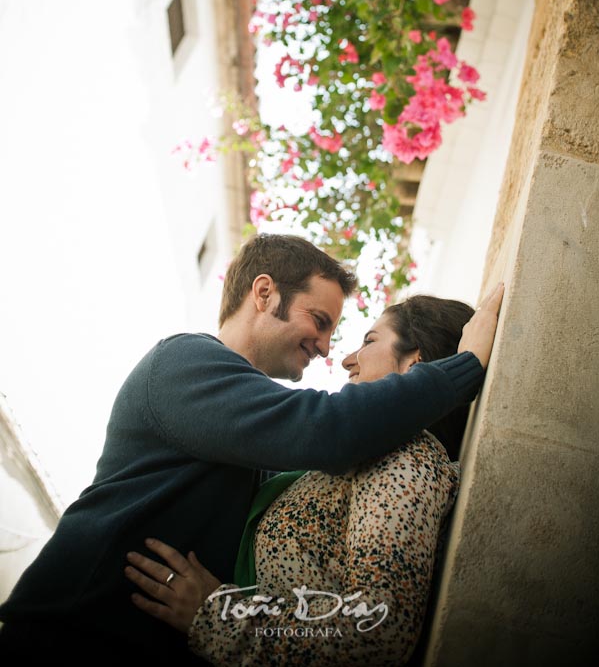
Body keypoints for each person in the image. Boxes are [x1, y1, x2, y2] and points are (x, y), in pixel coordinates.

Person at [0, 235, 498, 663]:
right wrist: (465, 366)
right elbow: (326, 428)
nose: (329, 348)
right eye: (319, 320)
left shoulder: (265, 442)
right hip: (66, 637)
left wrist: (218, 616)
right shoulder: (184, 364)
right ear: (264, 293)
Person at [123, 295, 491, 666]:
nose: (347, 359)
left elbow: (377, 633)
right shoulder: (367, 462)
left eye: (369, 341)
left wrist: (217, 617)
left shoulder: (407, 458)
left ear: (416, 361)